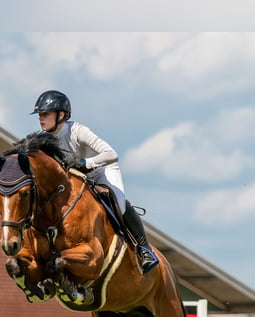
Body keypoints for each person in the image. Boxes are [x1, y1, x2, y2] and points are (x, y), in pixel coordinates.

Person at [31, 89, 159, 274]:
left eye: (45, 114)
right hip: (76, 179)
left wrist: (85, 163)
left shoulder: (78, 131)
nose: (41, 118)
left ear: (61, 115)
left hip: (102, 171)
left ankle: (143, 249)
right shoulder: (44, 139)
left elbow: (111, 154)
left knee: (120, 205)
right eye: (40, 115)